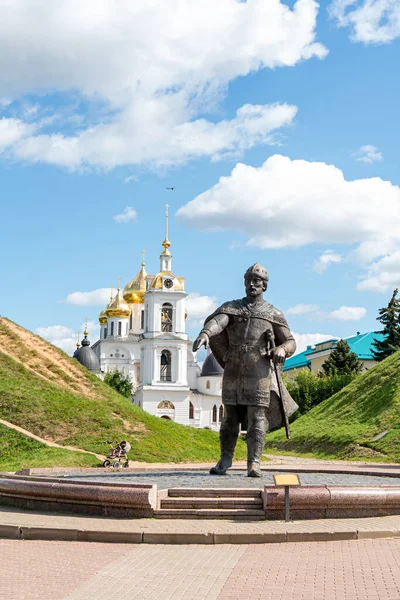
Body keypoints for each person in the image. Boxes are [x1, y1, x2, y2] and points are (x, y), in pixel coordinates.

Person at [193, 263, 298, 477]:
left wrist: (282, 349)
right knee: (230, 416)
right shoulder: (233, 307)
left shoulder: (273, 313)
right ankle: (225, 459)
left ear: (264, 286)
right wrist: (205, 333)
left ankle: (254, 462)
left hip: (259, 371)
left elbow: (290, 341)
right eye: (249, 281)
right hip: (233, 370)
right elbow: (218, 322)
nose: (252, 284)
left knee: (257, 416)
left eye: (257, 281)